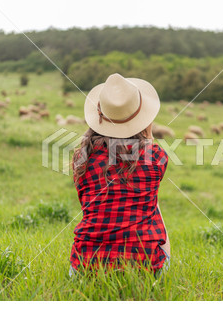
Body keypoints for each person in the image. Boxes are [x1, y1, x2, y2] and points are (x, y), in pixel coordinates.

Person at [69, 73, 170, 277]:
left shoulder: (82, 158)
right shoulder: (156, 156)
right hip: (145, 265)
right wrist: (148, 137)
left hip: (86, 266)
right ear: (144, 119)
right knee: (152, 203)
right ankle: (158, 272)